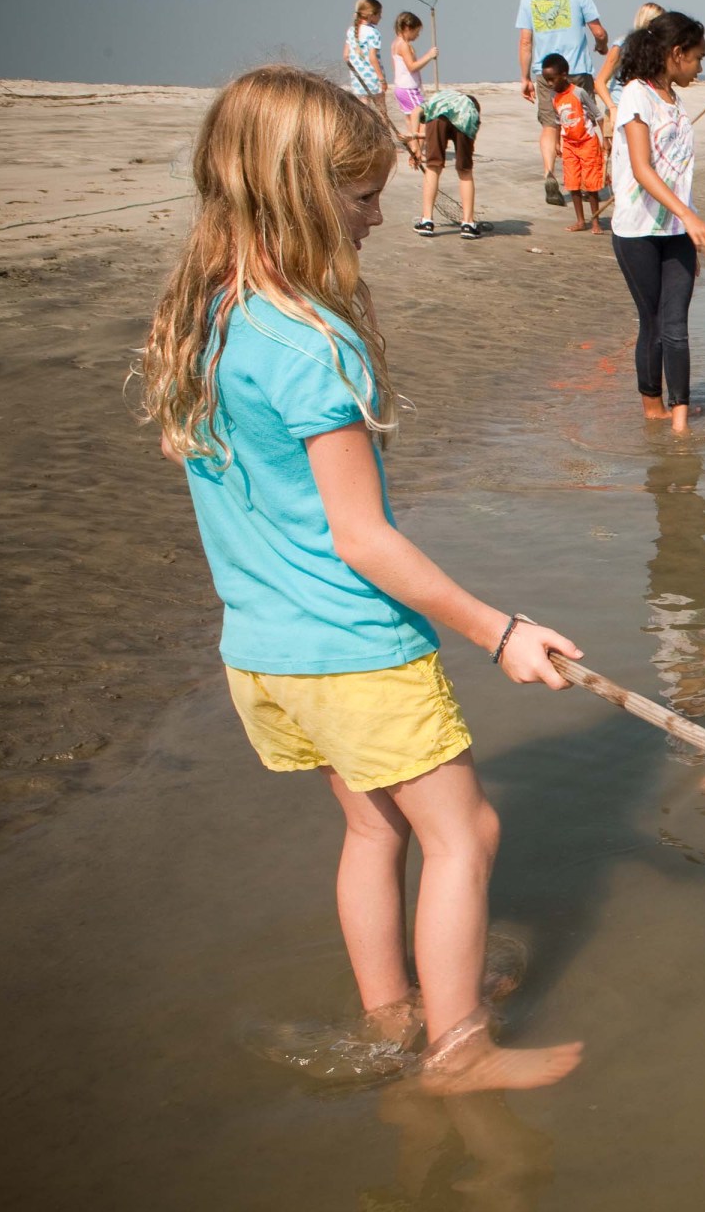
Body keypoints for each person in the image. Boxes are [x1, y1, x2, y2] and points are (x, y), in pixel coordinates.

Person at [138, 65, 584, 1092]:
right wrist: (498, 629)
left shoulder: (209, 319)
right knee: (466, 831)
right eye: (365, 196)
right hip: (352, 647)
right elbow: (364, 540)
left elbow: (201, 462)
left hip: (262, 649)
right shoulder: (313, 343)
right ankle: (458, 1052)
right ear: (302, 196)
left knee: (372, 826)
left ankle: (392, 1016)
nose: (382, 216)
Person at [609, 11, 705, 434]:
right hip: (638, 230)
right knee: (653, 323)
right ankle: (653, 408)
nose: (701, 67)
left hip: (676, 233)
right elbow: (641, 168)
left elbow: (678, 171)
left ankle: (681, 421)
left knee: (676, 324)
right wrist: (691, 217)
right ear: (676, 54)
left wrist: (686, 228)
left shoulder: (674, 98)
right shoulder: (637, 95)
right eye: (698, 58)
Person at [513, 0, 607, 206]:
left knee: (549, 124)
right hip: (576, 69)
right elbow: (598, 31)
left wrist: (525, 78)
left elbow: (525, 42)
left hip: (544, 72)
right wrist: (602, 46)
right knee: (585, 120)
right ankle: (590, 181)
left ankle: (549, 175)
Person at [411, 86, 489, 240]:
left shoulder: (436, 101)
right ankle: (468, 223)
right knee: (465, 170)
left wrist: (414, 144)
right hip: (467, 116)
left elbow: (415, 112)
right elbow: (454, 126)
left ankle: (427, 221)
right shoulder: (469, 107)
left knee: (433, 167)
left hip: (439, 116)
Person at [540, 54, 606, 233]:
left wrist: (606, 139)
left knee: (591, 185)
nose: (549, 84)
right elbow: (557, 120)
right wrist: (557, 143)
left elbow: (598, 115)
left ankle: (595, 221)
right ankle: (579, 221)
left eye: (552, 79)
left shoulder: (579, 93)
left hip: (587, 142)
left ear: (564, 74)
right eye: (547, 80)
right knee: (573, 183)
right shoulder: (554, 97)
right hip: (569, 145)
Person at [599, 1, 664, 142]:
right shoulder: (623, 44)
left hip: (644, 109)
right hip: (619, 108)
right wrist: (612, 109)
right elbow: (599, 82)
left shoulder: (658, 49)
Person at [388, 12, 436, 150]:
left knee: (410, 120)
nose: (418, 35)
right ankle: (418, 150)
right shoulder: (403, 45)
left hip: (401, 87)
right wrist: (429, 56)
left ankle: (413, 147)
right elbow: (412, 67)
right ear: (407, 28)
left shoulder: (395, 43)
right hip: (408, 89)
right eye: (416, 31)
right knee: (424, 118)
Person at [343, 0, 388, 123]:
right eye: (379, 14)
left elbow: (346, 55)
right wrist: (381, 79)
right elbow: (372, 57)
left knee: (364, 109)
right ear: (371, 15)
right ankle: (386, 135)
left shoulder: (351, 31)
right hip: (373, 77)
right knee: (382, 110)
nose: (380, 17)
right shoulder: (373, 33)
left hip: (358, 78)